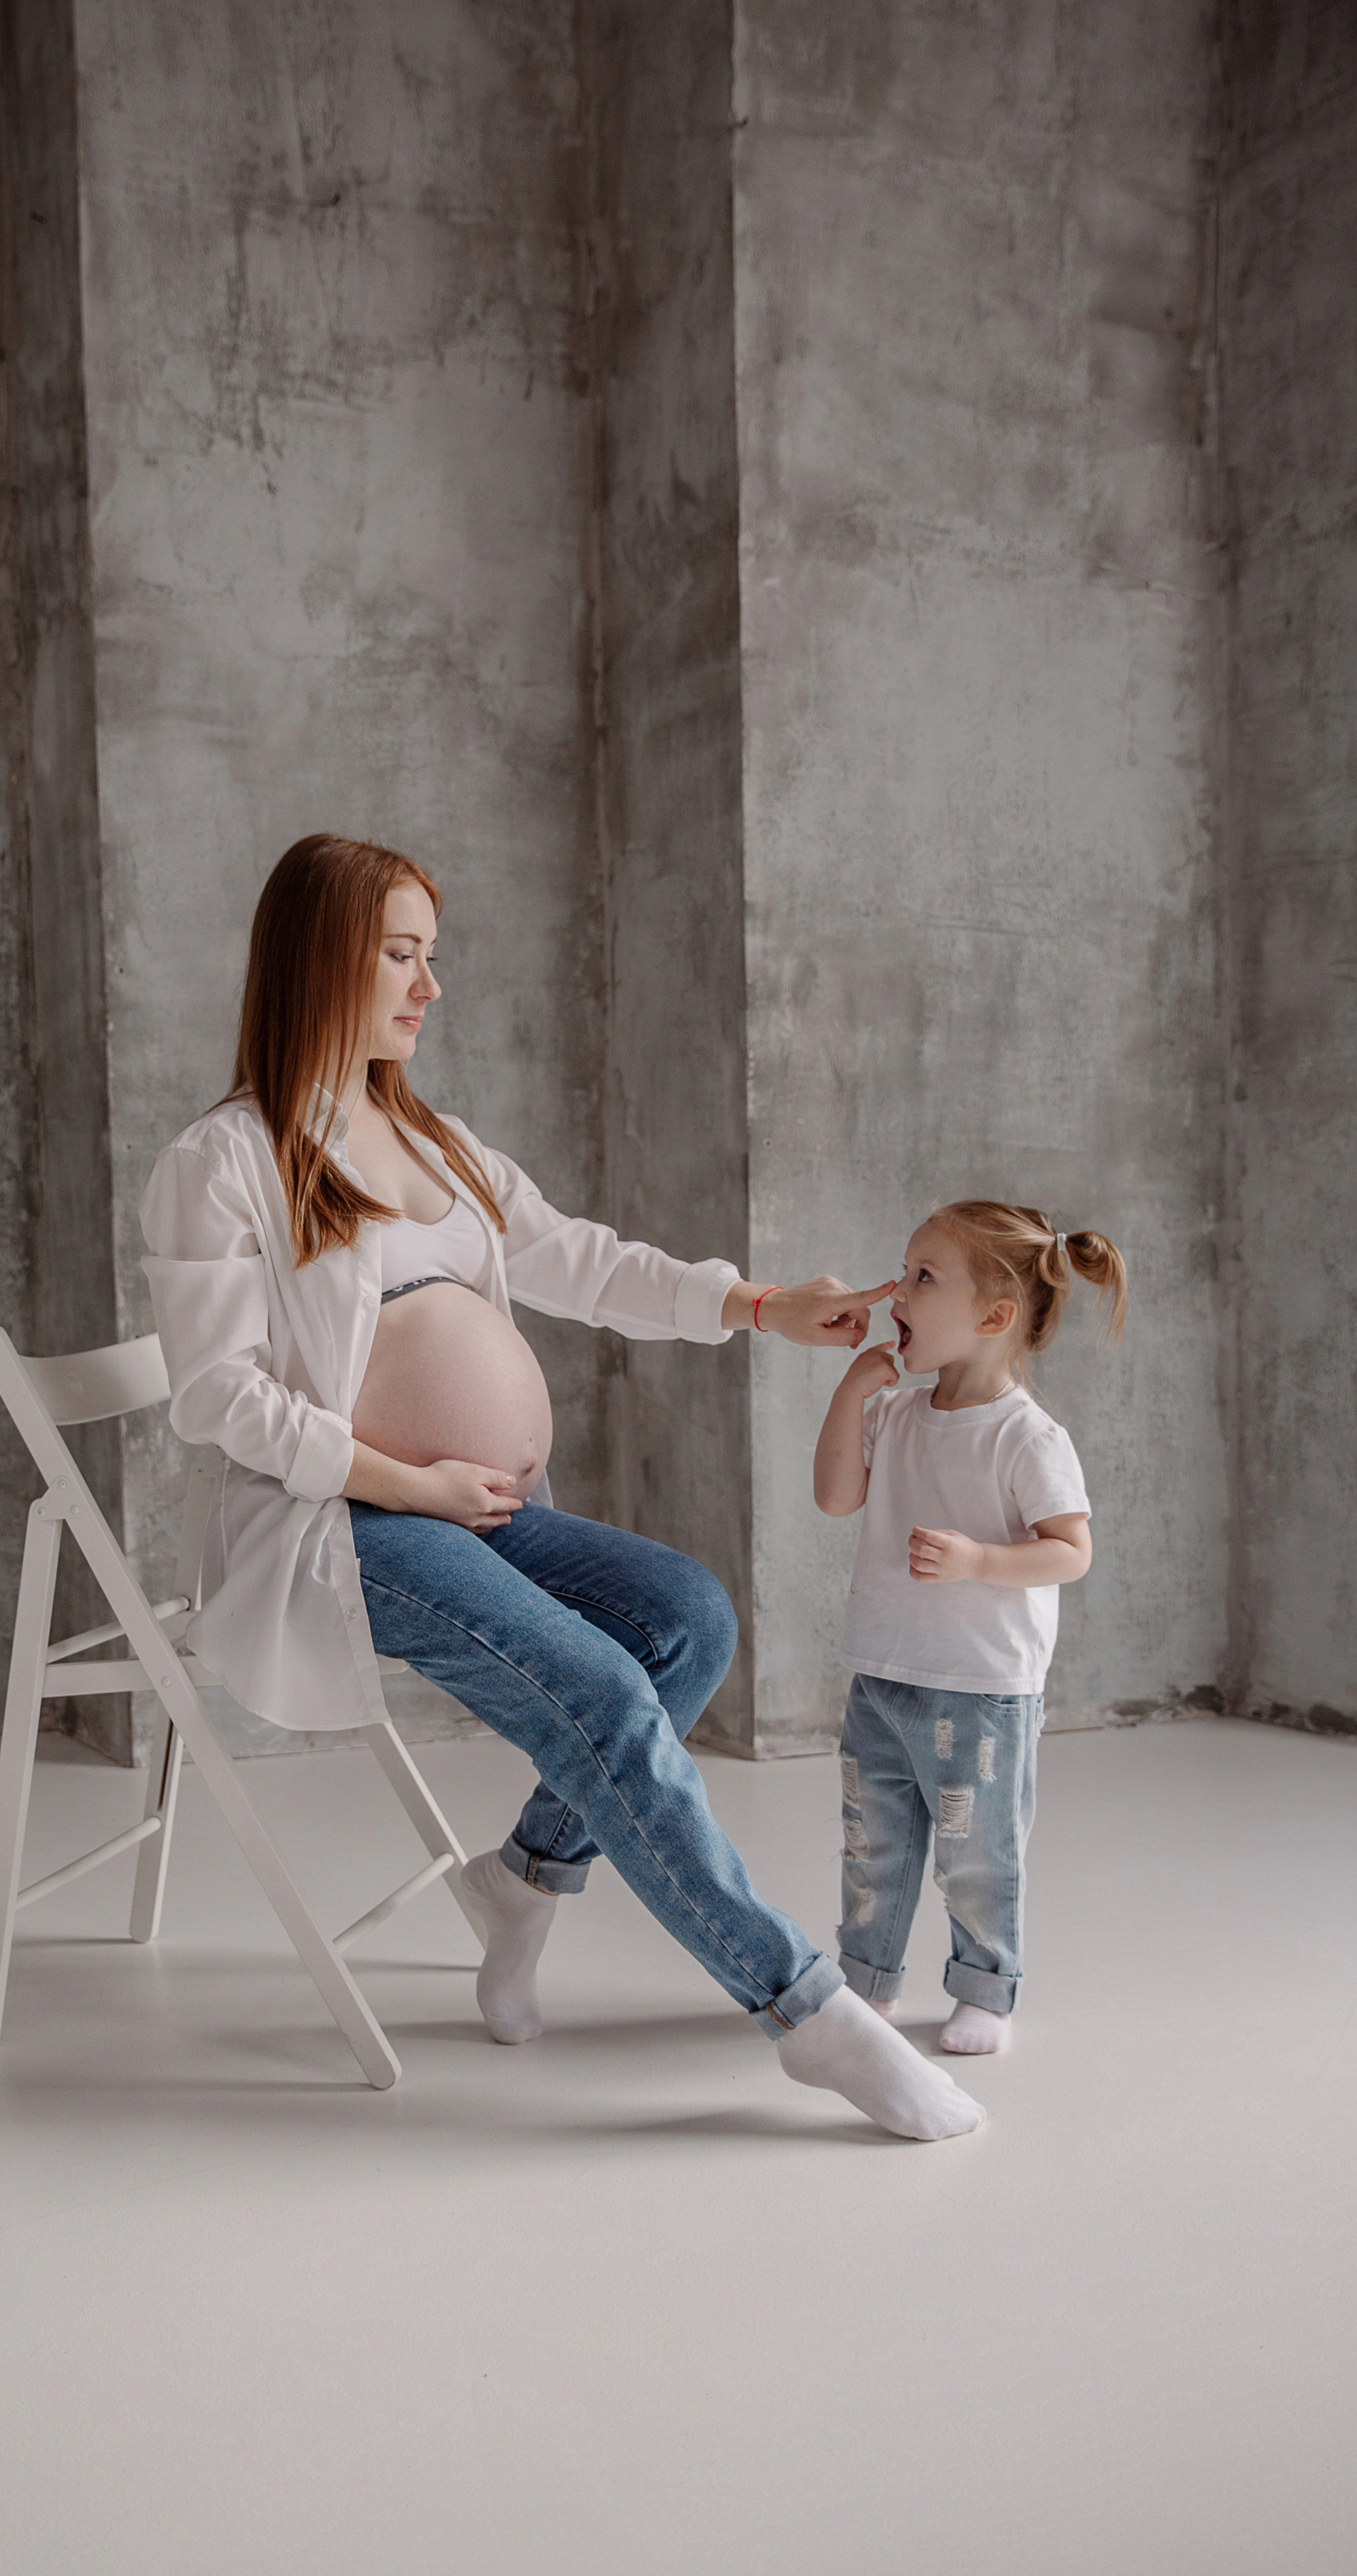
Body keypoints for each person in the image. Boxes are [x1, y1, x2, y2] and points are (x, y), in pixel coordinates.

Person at [140, 832, 985, 2141]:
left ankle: (525, 1881)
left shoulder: (432, 1136)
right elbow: (218, 1399)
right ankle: (807, 2014)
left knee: (688, 1617)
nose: (431, 988)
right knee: (598, 1690)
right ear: (323, 961)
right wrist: (404, 1487)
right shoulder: (224, 1160)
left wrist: (758, 1305)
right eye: (404, 956)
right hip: (341, 1524)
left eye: (435, 957)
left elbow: (579, 1261)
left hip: (465, 1506)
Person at [812, 1200, 1127, 2053]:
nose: (898, 1293)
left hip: (980, 1689)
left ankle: (986, 1988)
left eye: (922, 1278)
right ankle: (865, 1981)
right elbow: (837, 1496)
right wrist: (852, 1390)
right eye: (904, 1270)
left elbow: (1070, 1551)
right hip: (882, 1674)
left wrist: (980, 1562)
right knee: (871, 1844)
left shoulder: (1028, 1437)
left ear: (993, 1317)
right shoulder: (897, 1413)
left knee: (977, 1856)